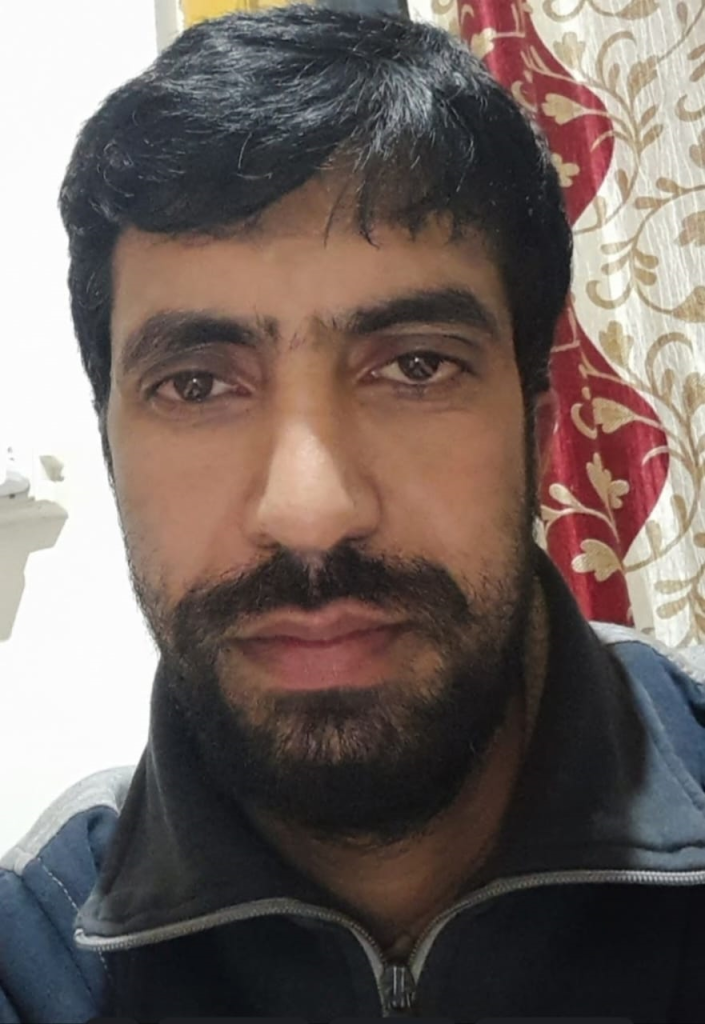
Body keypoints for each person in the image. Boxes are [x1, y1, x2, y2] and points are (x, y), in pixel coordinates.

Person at [2, 5, 705, 1022]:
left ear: (539, 428)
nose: (310, 513)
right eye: (197, 384)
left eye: (416, 366)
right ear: (112, 455)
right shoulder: (39, 953)